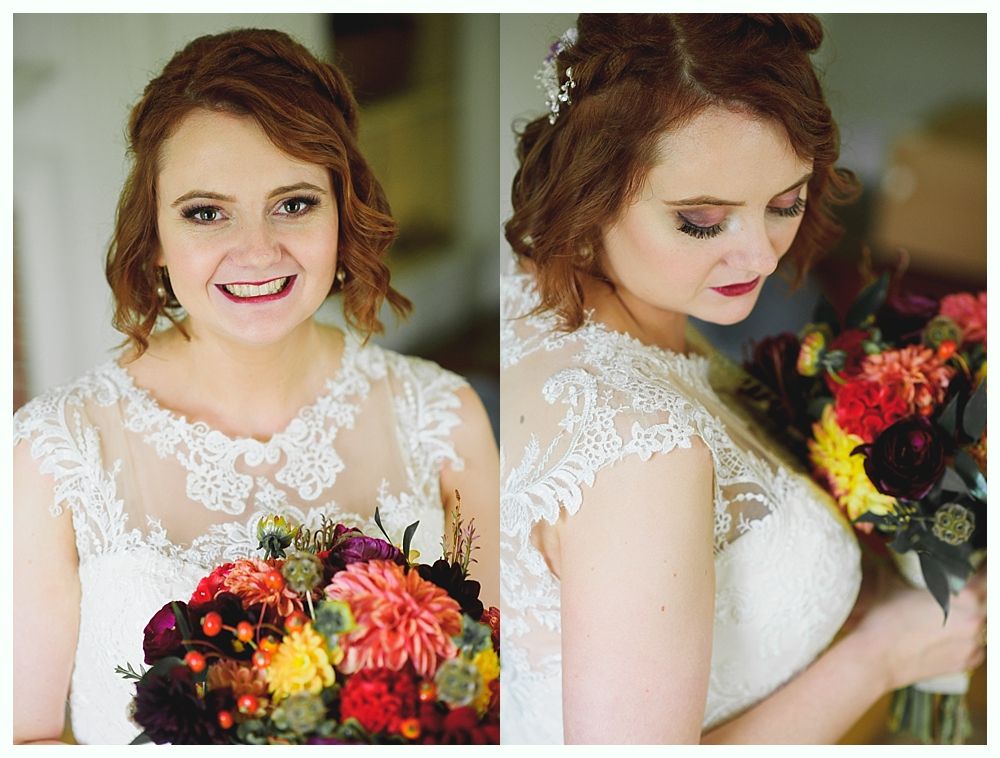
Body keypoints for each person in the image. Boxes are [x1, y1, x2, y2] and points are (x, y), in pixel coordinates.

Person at [499, 14, 985, 744]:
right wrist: (883, 656)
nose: (757, 255)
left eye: (785, 203)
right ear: (588, 189)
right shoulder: (646, 455)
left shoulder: (541, 286)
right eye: (701, 221)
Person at [13, 28, 499, 745]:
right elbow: (23, 738)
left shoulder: (444, 419)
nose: (257, 251)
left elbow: (503, 697)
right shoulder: (54, 455)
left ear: (343, 209)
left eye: (294, 203)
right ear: (153, 232)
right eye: (206, 212)